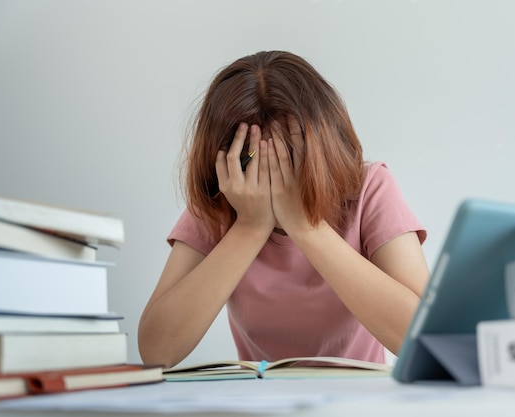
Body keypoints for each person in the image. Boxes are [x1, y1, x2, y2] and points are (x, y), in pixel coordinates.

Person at [138, 50, 429, 369]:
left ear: (321, 143)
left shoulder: (370, 187)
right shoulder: (219, 202)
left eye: (288, 157)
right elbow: (157, 351)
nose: (273, 175)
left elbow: (422, 338)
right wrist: (249, 226)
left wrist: (306, 227)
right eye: (252, 160)